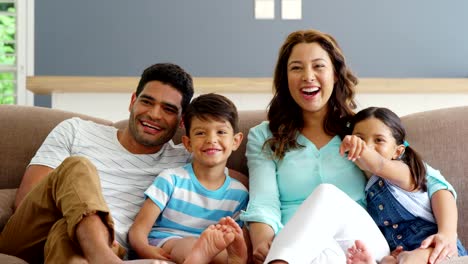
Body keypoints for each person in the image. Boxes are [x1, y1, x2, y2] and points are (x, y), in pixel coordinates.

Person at [0, 62, 197, 263]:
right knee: (78, 166)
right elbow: (27, 200)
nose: (154, 114)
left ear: (182, 121)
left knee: (64, 234)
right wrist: (85, 225)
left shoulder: (185, 161)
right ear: (132, 102)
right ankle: (101, 255)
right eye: (147, 102)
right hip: (31, 238)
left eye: (168, 109)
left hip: (104, 248)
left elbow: (225, 151)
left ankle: (97, 252)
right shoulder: (76, 131)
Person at [239, 28, 391, 264]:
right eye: (296, 68)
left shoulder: (361, 129)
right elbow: (264, 200)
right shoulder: (264, 135)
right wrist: (262, 239)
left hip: (361, 242)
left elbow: (414, 174)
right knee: (323, 255)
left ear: (335, 75)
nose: (308, 76)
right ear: (285, 78)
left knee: (327, 194)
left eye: (318, 66)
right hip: (297, 246)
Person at [128, 93, 249, 264]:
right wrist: (145, 250)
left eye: (221, 132)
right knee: (187, 245)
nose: (211, 140)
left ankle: (229, 260)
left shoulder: (239, 193)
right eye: (200, 133)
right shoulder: (171, 179)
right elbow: (138, 230)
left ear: (236, 141)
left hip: (213, 249)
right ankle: (199, 256)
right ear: (188, 143)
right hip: (168, 243)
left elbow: (234, 235)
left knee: (225, 253)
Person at [340, 107, 466, 264]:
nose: (368, 146)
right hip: (402, 253)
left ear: (397, 151)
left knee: (408, 259)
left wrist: (447, 233)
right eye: (361, 139)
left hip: (438, 251)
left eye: (378, 140)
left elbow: (442, 190)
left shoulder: (404, 171)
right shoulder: (367, 190)